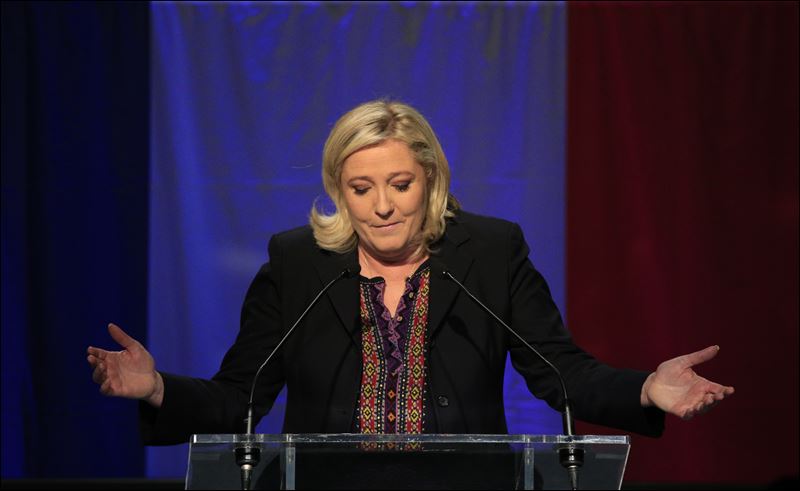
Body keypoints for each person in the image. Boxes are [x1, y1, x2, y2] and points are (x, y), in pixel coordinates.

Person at [87, 100, 733, 445]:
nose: (384, 205)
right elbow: (239, 398)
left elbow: (562, 371)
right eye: (361, 188)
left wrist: (646, 388)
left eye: (400, 183)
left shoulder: (490, 252)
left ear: (430, 180)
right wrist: (158, 389)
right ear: (339, 191)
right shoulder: (298, 264)